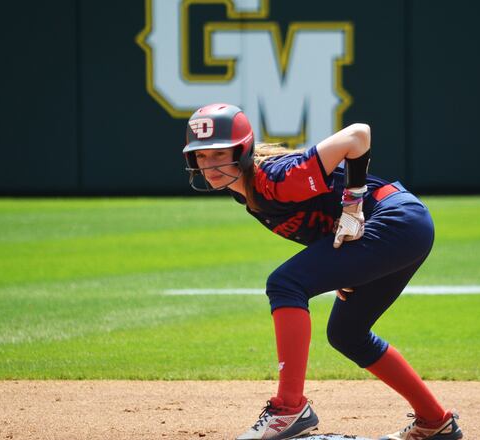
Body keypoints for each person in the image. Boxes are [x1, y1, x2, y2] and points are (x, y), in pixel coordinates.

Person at [182, 103, 463, 440]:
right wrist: (344, 267)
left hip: (396, 220)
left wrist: (353, 202)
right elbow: (318, 222)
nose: (209, 164)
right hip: (401, 229)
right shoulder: (248, 195)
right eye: (201, 156)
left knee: (285, 283)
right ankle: (435, 421)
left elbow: (358, 135)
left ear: (243, 151)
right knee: (348, 334)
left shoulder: (277, 178)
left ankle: (289, 408)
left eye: (218, 153)